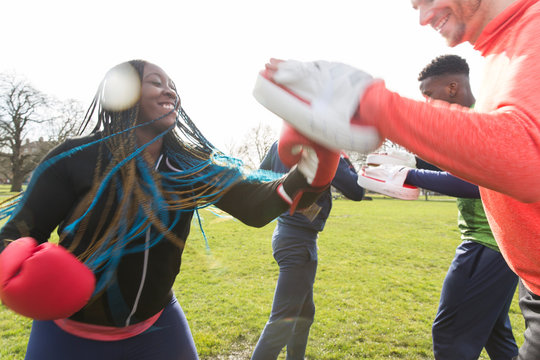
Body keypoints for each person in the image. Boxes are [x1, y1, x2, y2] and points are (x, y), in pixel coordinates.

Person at [254, 1, 540, 358]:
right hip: (529, 282)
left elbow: (524, 158)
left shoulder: (533, 26)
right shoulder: (502, 52)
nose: (422, 18)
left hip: (501, 261)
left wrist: (375, 106)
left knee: (451, 338)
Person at [0, 60, 339, 360]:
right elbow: (15, 233)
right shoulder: (74, 158)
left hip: (157, 331)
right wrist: (20, 270)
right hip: (69, 336)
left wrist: (316, 165)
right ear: (125, 92)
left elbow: (260, 206)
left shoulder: (188, 166)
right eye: (156, 82)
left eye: (173, 87)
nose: (170, 92)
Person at [362, 54, 519, 360]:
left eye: (428, 95)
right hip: (502, 249)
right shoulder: (472, 120)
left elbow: (477, 183)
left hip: (486, 245)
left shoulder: (483, 120)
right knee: (497, 337)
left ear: (451, 88)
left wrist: (407, 174)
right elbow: (447, 161)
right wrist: (407, 156)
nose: (426, 103)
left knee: (449, 338)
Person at [251, 143, 364, 360]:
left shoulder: (280, 142)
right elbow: (356, 190)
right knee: (281, 323)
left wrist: (290, 197)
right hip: (298, 242)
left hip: (285, 234)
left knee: (304, 313)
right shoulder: (323, 147)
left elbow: (259, 177)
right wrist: (342, 156)